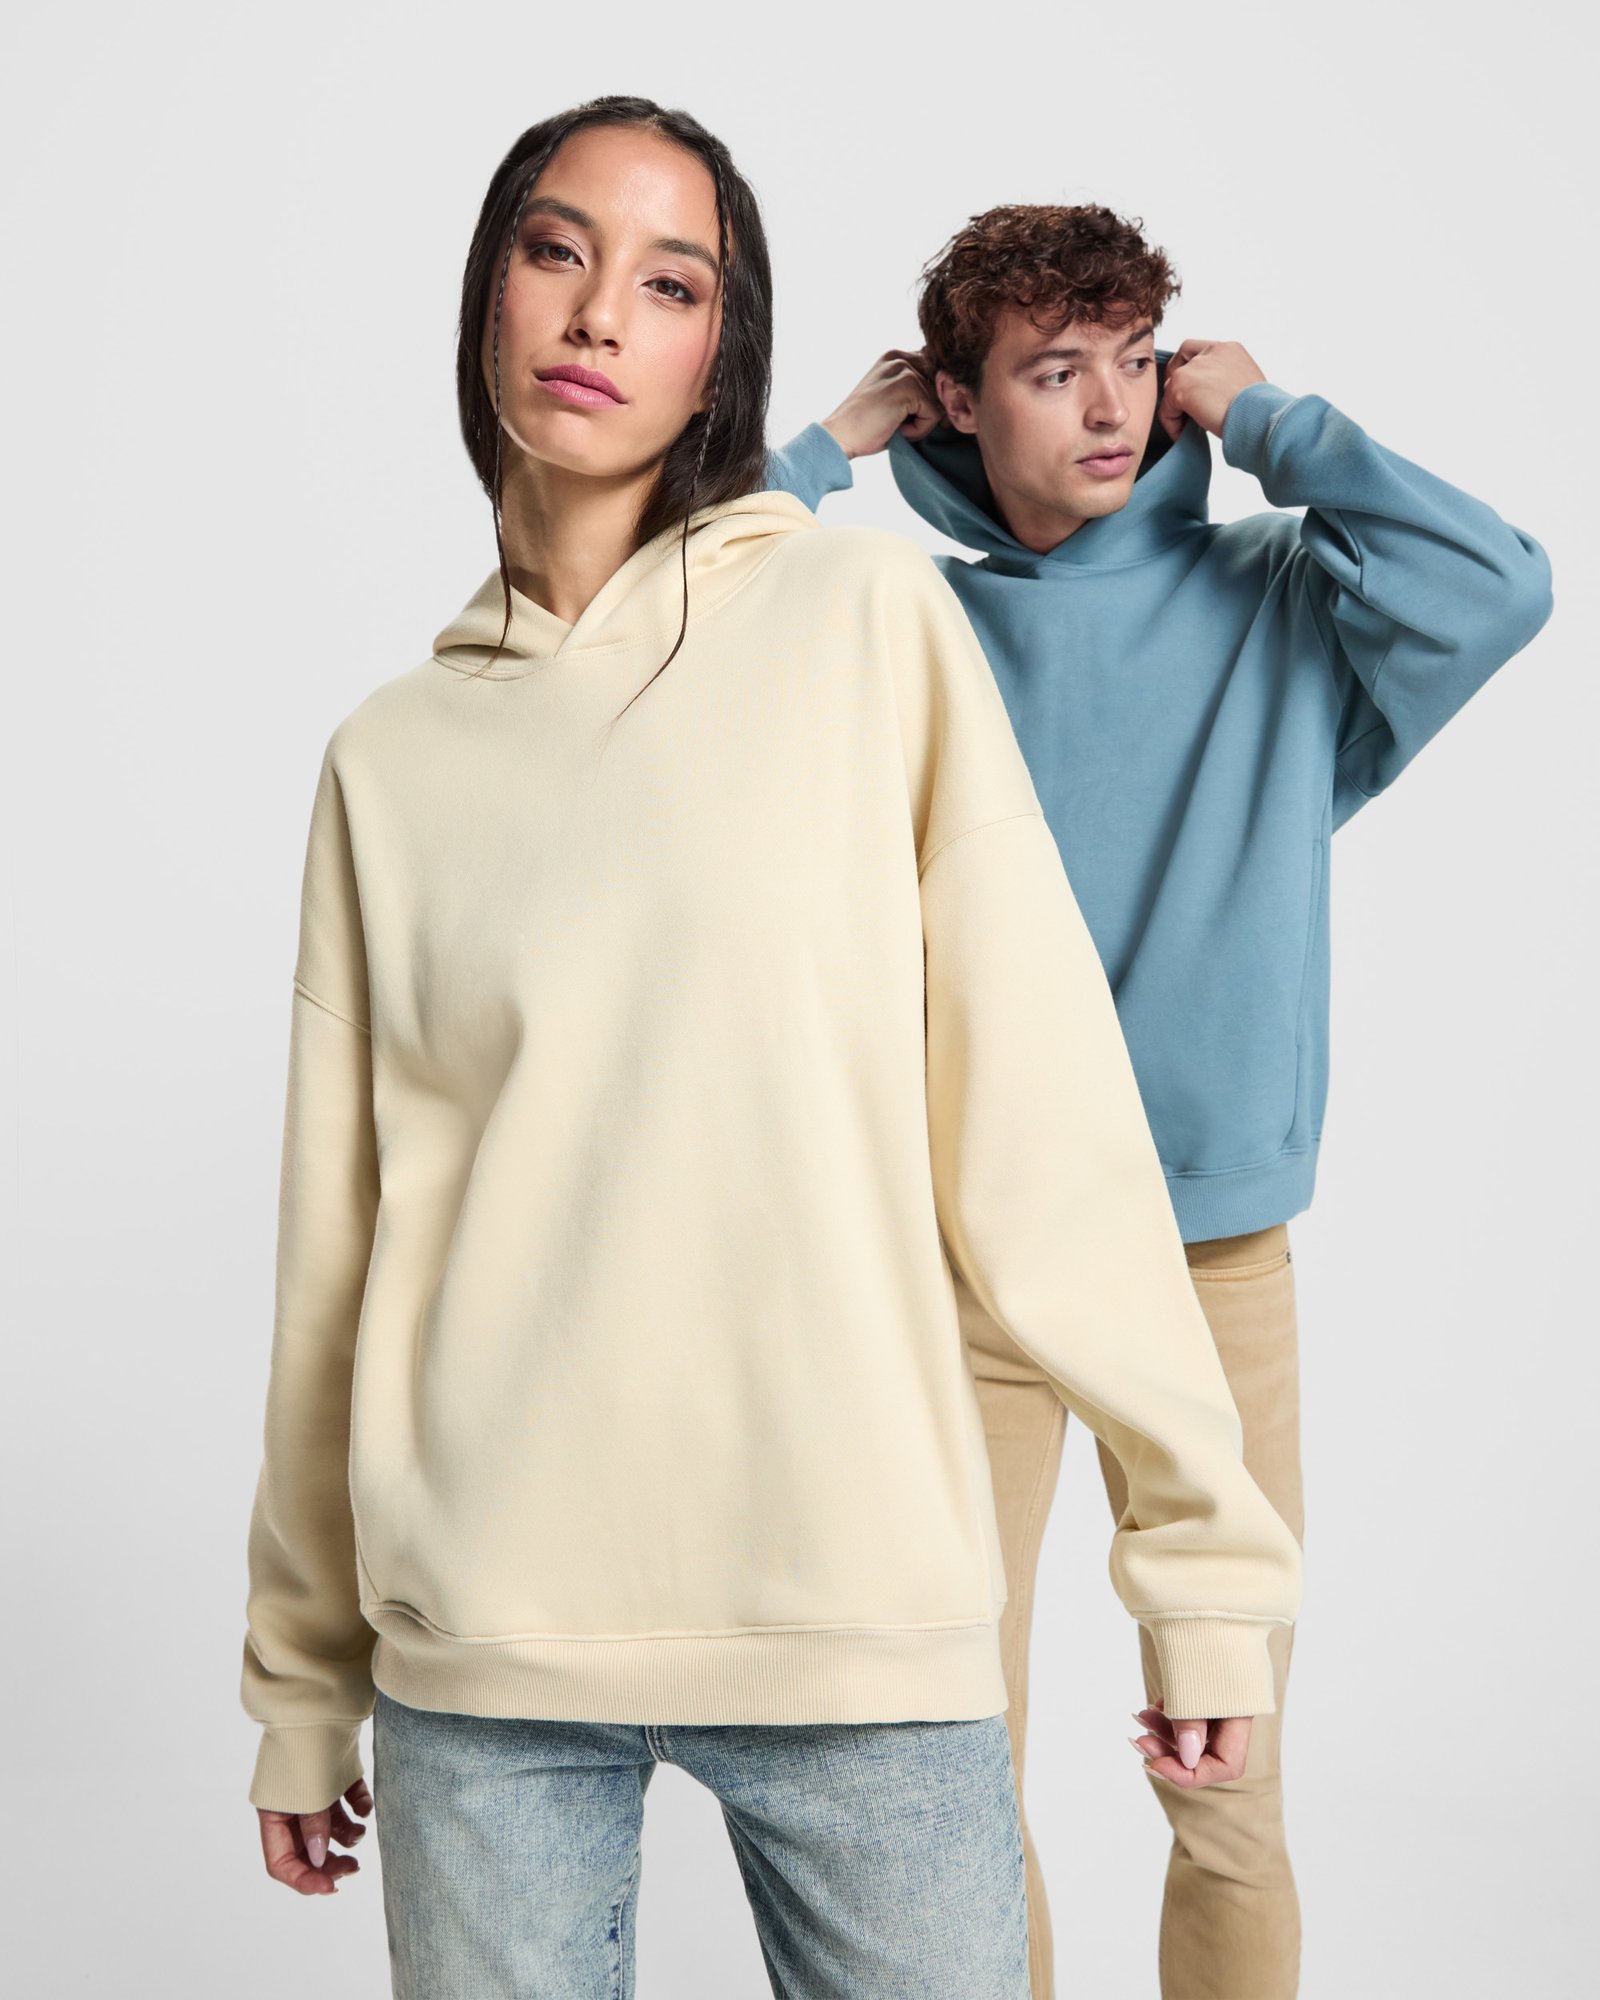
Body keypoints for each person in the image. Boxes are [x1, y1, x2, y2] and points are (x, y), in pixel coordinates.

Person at [238, 110, 1303, 1999]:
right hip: (483, 1648)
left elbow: (1044, 1126)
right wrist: (303, 1678)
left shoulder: (863, 620)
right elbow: (340, 1254)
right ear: (489, 295)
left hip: (859, 1621)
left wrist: (1201, 1569)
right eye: (557, 252)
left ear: (719, 354)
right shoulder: (388, 759)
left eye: (671, 284)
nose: (600, 315)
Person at [767, 201, 1554, 2000]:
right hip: (971, 1271)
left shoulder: (1283, 600)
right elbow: (670, 612)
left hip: (1212, 1265)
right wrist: (826, 446)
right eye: (1056, 371)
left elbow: (1502, 588)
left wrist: (1274, 421)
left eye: (1134, 361)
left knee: (1231, 1784)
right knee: (948, 1775)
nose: (1113, 407)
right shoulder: (911, 627)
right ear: (958, 402)